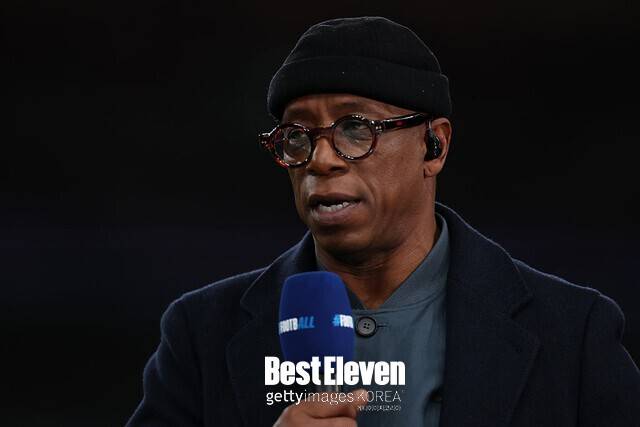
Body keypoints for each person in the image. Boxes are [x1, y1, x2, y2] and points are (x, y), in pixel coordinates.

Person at [126, 16, 640, 427]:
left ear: (434, 146)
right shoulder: (200, 334)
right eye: (297, 136)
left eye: (355, 128)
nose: (320, 159)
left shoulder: (575, 334)